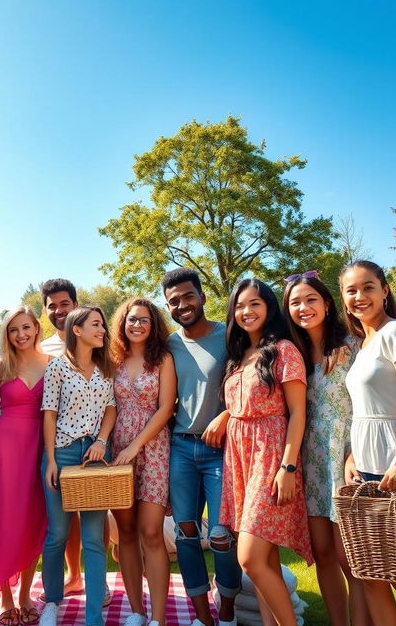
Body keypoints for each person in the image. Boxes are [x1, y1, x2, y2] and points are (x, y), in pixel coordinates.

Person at [220, 278, 312, 626]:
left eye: (255, 304)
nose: (247, 311)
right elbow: (239, 404)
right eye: (240, 305)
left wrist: (287, 467)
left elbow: (297, 412)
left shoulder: (283, 349)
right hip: (239, 458)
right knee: (266, 562)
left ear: (269, 308)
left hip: (271, 456)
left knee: (250, 559)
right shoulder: (238, 354)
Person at [284, 272, 369, 626]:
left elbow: (370, 403)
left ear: (327, 302)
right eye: (295, 302)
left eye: (310, 299)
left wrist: (355, 452)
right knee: (322, 554)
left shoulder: (353, 345)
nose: (303, 308)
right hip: (310, 461)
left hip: (347, 456)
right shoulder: (294, 354)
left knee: (351, 559)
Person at [161, 268, 241, 626]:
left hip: (220, 450)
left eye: (187, 296)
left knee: (222, 535)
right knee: (186, 533)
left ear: (203, 296)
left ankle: (226, 612)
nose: (182, 305)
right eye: (173, 301)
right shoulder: (169, 345)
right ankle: (201, 617)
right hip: (180, 447)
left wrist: (226, 415)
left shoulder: (230, 337)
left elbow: (250, 385)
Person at [0, 305, 50, 626]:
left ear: (36, 328)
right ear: (7, 334)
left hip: (39, 447)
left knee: (33, 520)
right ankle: (4, 597)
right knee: (2, 520)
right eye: (13, 329)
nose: (21, 335)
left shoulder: (53, 364)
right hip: (4, 448)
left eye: (26, 327)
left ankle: (26, 593)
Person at [340, 260, 396, 624]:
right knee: (372, 574)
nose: (359, 296)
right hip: (366, 469)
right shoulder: (364, 342)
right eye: (351, 290)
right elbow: (368, 406)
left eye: (368, 287)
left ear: (385, 290)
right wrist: (352, 454)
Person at [39, 306, 116, 626]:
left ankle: (94, 616)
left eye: (102, 325)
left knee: (94, 539)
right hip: (63, 454)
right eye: (96, 324)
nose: (102, 329)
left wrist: (101, 441)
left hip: (95, 456)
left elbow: (111, 409)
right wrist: (51, 460)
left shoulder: (106, 368)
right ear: (77, 330)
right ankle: (52, 602)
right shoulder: (57, 367)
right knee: (57, 533)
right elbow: (49, 413)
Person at [109, 298, 176, 626]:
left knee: (151, 532)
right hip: (118, 450)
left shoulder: (162, 358)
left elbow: (166, 408)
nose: (137, 325)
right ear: (123, 323)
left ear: (154, 325)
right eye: (132, 319)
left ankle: (158, 618)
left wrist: (136, 445)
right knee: (126, 532)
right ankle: (136, 611)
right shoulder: (113, 359)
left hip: (152, 449)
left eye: (144, 320)